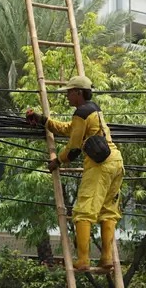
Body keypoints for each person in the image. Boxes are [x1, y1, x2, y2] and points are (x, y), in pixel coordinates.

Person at [26, 75, 124, 271]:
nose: (67, 96)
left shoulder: (81, 112)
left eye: (69, 92)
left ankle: (83, 260)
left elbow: (74, 148)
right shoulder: (93, 110)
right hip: (116, 163)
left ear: (79, 93)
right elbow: (69, 129)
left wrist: (57, 161)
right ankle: (106, 259)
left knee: (82, 213)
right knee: (108, 212)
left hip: (100, 166)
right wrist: (43, 120)